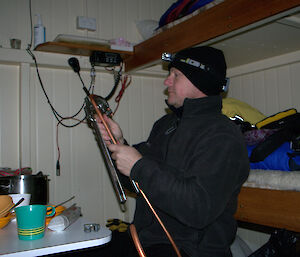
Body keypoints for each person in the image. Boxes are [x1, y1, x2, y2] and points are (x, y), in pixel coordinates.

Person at [97, 46, 250, 257]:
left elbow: (198, 208)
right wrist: (119, 143)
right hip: (144, 241)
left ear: (200, 81)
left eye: (176, 75)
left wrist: (139, 166)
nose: (166, 81)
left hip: (187, 251)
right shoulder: (166, 125)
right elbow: (137, 182)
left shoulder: (222, 136)